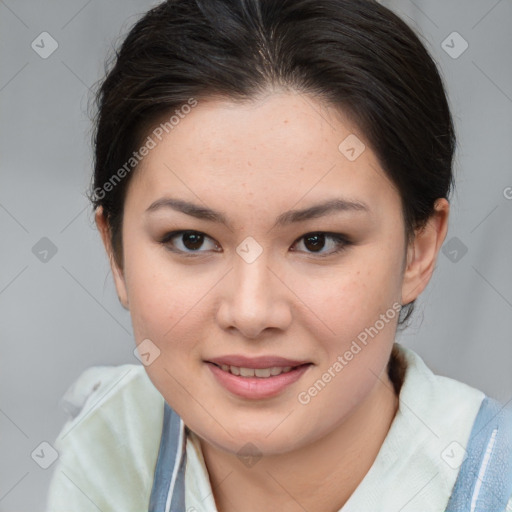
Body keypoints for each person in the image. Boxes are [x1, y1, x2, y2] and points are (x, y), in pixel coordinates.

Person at [45, 0, 512, 511]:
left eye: (317, 241)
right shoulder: (109, 448)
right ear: (116, 253)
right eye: (192, 240)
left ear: (418, 250)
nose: (250, 313)